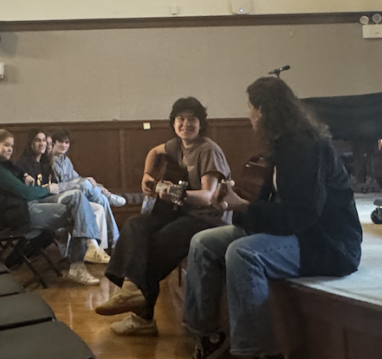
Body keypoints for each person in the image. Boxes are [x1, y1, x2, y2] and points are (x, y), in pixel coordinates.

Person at [184, 77, 362, 359]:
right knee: (203, 243)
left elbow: (302, 215)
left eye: (250, 108)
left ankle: (255, 351)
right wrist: (233, 204)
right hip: (299, 232)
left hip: (327, 243)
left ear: (263, 112)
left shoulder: (305, 148)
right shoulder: (283, 145)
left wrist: (243, 207)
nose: (248, 115)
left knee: (242, 253)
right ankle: (207, 335)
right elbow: (272, 207)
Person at [97, 96, 231, 338]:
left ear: (201, 123)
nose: (186, 124)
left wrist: (174, 192)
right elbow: (153, 152)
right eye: (181, 119)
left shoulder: (208, 150)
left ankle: (142, 317)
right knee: (135, 225)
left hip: (206, 219)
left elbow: (208, 197)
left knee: (154, 247)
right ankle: (131, 288)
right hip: (179, 211)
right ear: (173, 122)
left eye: (192, 119)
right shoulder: (176, 145)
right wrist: (146, 176)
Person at [0, 130, 101, 286]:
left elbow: (22, 189)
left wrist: (25, 179)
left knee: (77, 196)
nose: (10, 149)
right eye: (6, 145)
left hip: (26, 206)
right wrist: (47, 188)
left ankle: (90, 248)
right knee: (78, 213)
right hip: (19, 214)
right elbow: (26, 193)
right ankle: (79, 263)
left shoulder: (1, 166)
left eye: (11, 146)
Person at [48, 128, 124, 253]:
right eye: (60, 142)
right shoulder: (49, 161)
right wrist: (79, 182)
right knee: (86, 184)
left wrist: (99, 186)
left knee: (101, 199)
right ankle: (115, 239)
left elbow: (76, 178)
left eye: (66, 142)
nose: (63, 145)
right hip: (62, 196)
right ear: (53, 143)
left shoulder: (66, 160)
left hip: (75, 192)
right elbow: (56, 186)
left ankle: (106, 245)